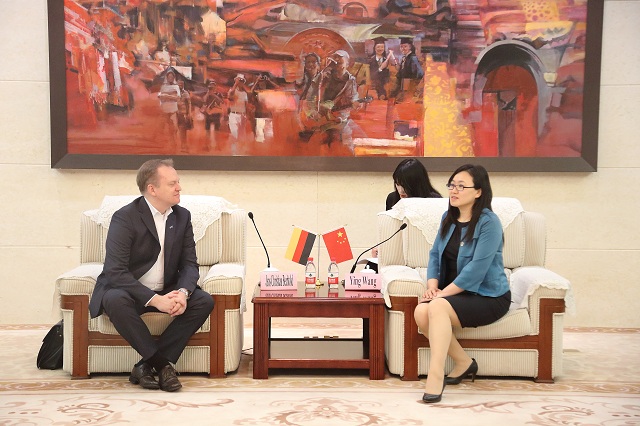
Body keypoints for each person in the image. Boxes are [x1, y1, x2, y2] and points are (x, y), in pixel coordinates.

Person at [88, 159, 215, 392]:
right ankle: (163, 365)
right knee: (114, 299)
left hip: (167, 288)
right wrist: (155, 300)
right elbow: (115, 271)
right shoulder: (125, 217)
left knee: (203, 300)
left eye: (178, 182)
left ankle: (144, 366)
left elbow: (189, 264)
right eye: (172, 184)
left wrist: (183, 293)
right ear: (152, 189)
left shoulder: (182, 217)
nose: (179, 188)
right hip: (131, 291)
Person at [413, 164, 511, 403]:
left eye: (461, 186)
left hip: (488, 296)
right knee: (420, 312)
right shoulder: (448, 218)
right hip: (455, 293)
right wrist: (432, 286)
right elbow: (435, 255)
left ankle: (435, 376)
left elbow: (476, 270)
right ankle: (464, 362)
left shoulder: (489, 223)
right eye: (452, 185)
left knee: (436, 306)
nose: (454, 191)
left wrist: (441, 296)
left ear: (478, 191)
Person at [300, 50, 361, 151]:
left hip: (338, 119)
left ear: (347, 64)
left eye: (340, 61)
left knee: (345, 147)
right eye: (335, 60)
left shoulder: (350, 81)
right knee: (313, 145)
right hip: (320, 118)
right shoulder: (323, 76)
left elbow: (353, 97)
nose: (336, 63)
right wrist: (312, 112)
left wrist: (355, 103)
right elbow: (310, 96)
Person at [201, 79, 225, 150]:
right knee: (207, 131)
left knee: (216, 131)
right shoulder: (207, 94)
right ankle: (207, 145)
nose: (212, 87)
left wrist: (213, 95)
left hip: (216, 114)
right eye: (210, 85)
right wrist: (208, 93)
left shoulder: (218, 94)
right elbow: (204, 100)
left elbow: (221, 101)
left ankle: (217, 145)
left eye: (213, 85)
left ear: (215, 87)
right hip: (208, 114)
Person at [227, 73, 250, 140]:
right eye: (239, 80)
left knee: (242, 136)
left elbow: (246, 105)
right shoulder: (232, 90)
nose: (240, 82)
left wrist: (247, 115)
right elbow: (230, 97)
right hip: (233, 115)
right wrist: (236, 84)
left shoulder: (244, 93)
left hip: (242, 115)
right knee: (234, 135)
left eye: (242, 81)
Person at [176, 80, 192, 152]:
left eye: (181, 84)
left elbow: (189, 103)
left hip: (182, 114)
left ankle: (183, 145)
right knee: (174, 129)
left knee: (183, 130)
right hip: (174, 113)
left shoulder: (185, 93)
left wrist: (189, 114)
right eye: (179, 84)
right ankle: (174, 145)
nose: (180, 85)